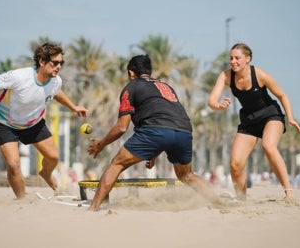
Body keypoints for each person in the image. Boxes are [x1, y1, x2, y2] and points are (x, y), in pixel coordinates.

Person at [0, 43, 88, 199]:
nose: (59, 66)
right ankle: (22, 200)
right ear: (42, 61)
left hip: (33, 123)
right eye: (55, 62)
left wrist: (73, 107)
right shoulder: (20, 77)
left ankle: (46, 174)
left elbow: (56, 93)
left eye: (61, 63)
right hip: (5, 123)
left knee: (53, 157)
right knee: (14, 165)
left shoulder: (56, 81)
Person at [87, 54, 221, 211]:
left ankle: (93, 208)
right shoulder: (166, 87)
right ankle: (220, 203)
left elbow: (122, 127)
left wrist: (101, 144)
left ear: (131, 73)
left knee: (117, 164)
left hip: (155, 131)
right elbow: (167, 121)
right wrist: (154, 153)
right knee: (187, 175)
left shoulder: (131, 87)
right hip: (184, 131)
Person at [208, 43, 300, 200]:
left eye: (237, 58)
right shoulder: (226, 76)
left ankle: (289, 193)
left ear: (248, 59)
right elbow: (211, 100)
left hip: (271, 115)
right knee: (235, 164)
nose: (233, 61)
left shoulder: (259, 75)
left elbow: (282, 95)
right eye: (231, 58)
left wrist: (290, 117)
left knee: (268, 147)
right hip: (249, 120)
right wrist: (218, 105)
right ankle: (242, 200)